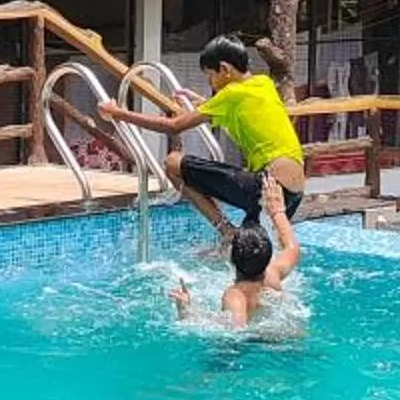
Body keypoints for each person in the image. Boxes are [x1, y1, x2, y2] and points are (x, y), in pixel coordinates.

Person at [100, 35, 307, 239]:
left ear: (225, 69)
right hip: (294, 190)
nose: (210, 82)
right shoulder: (263, 83)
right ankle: (230, 238)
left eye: (210, 75)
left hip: (268, 185)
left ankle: (226, 230)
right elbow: (239, 111)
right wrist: (201, 102)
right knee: (249, 250)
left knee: (173, 163)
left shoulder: (231, 94)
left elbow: (173, 126)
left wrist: (118, 113)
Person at [173, 184, 302, 329]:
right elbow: (292, 248)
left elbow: (234, 329)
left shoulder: (235, 296)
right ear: (268, 257)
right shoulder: (273, 275)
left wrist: (186, 311)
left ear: (232, 259)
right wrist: (277, 211)